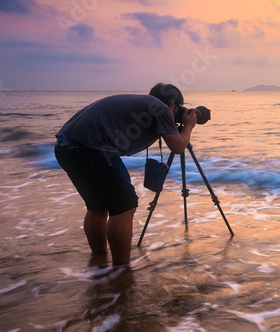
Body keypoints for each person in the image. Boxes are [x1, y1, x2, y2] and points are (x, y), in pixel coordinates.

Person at [54, 83, 198, 267]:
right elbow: (178, 147)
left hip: (65, 147)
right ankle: (121, 270)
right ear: (172, 104)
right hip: (93, 149)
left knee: (97, 206)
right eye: (178, 109)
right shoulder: (161, 108)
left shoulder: (144, 104)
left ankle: (99, 263)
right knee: (124, 206)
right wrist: (189, 126)